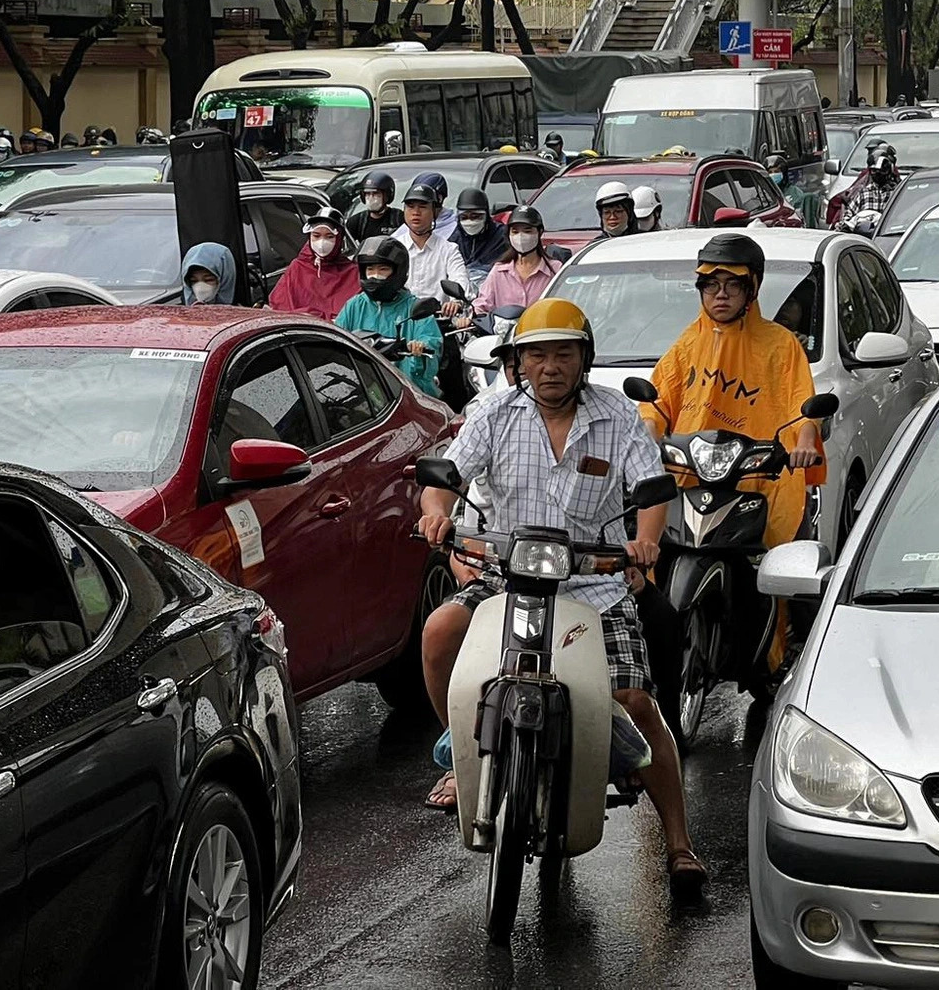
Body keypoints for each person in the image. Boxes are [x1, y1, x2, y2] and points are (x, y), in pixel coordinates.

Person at [417, 300, 705, 891]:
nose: (550, 366)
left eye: (562, 353)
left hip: (594, 584)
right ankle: (462, 753)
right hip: (505, 577)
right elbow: (446, 477)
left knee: (633, 698)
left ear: (583, 359)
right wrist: (436, 516)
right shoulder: (494, 414)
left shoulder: (617, 416)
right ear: (519, 362)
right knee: (440, 631)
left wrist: (646, 542)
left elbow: (650, 488)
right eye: (537, 354)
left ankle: (679, 841)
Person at [644, 233, 824, 558]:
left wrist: (805, 442)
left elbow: (803, 408)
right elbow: (656, 404)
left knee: (789, 569)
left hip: (761, 474)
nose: (721, 295)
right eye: (711, 284)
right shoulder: (686, 344)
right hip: (692, 474)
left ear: (752, 288)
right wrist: (647, 436)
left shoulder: (781, 345)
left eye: (733, 285)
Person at [334, 236, 442, 392]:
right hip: (362, 388)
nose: (375, 275)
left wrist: (419, 348)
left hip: (408, 390)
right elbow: (337, 338)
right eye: (370, 269)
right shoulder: (355, 305)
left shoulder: (413, 307)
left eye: (383, 269)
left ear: (398, 271)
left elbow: (431, 342)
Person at [393, 175, 471, 314]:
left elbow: (460, 280)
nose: (416, 213)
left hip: (437, 322)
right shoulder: (393, 247)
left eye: (422, 207)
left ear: (434, 211)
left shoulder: (449, 250)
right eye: (410, 207)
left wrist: (456, 301)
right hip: (399, 320)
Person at [269, 209, 361, 321]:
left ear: (339, 239)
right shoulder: (297, 268)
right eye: (316, 236)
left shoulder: (352, 272)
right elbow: (280, 307)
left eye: (329, 236)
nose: (322, 242)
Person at [471, 206, 561, 319]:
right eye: (515, 232)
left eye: (527, 231)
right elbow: (482, 305)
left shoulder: (555, 270)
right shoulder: (499, 270)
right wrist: (469, 317)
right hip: (505, 333)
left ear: (540, 232)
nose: (521, 236)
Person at [835, 139, 902, 232]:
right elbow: (847, 217)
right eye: (874, 171)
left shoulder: (898, 193)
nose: (877, 174)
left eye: (882, 171)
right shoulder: (864, 193)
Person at [449, 187, 508, 276]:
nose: (470, 222)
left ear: (486, 216)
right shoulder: (455, 240)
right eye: (464, 218)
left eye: (475, 216)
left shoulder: (502, 237)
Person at [345, 171, 403, 246]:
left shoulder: (398, 219)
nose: (371, 198)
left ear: (387, 196)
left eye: (376, 194)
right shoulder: (356, 222)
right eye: (367, 194)